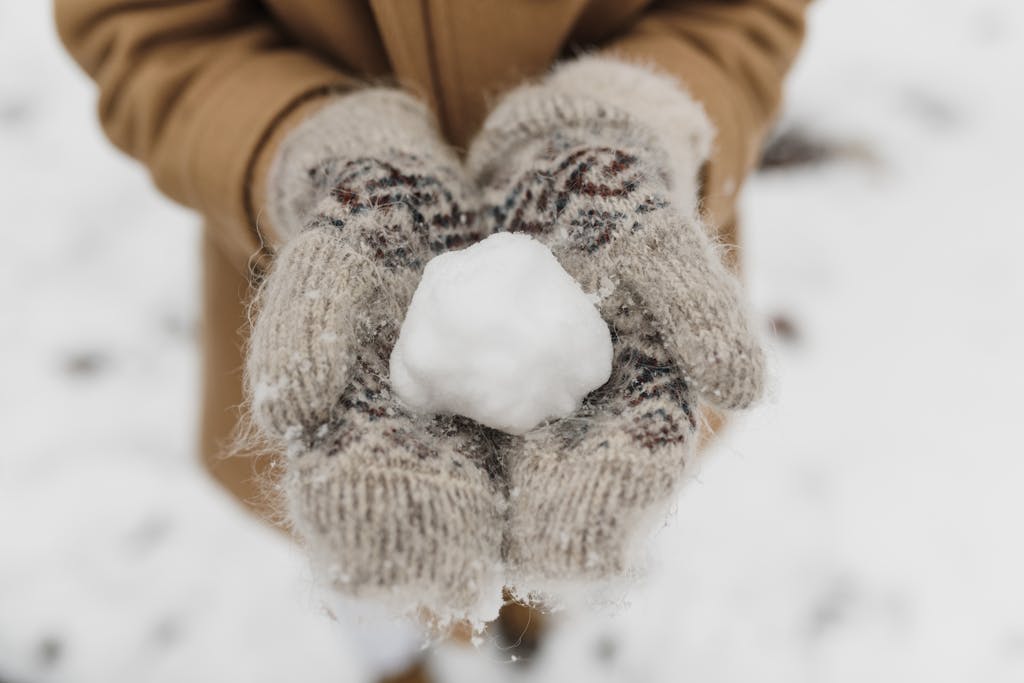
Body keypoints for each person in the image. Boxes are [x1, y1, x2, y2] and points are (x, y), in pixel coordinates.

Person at [56, 1, 808, 679]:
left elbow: (749, 13)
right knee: (364, 526)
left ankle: (524, 600)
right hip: (331, 290)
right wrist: (302, 147)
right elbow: (143, 24)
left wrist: (625, 123)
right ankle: (393, 660)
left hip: (617, 258)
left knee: (569, 515)